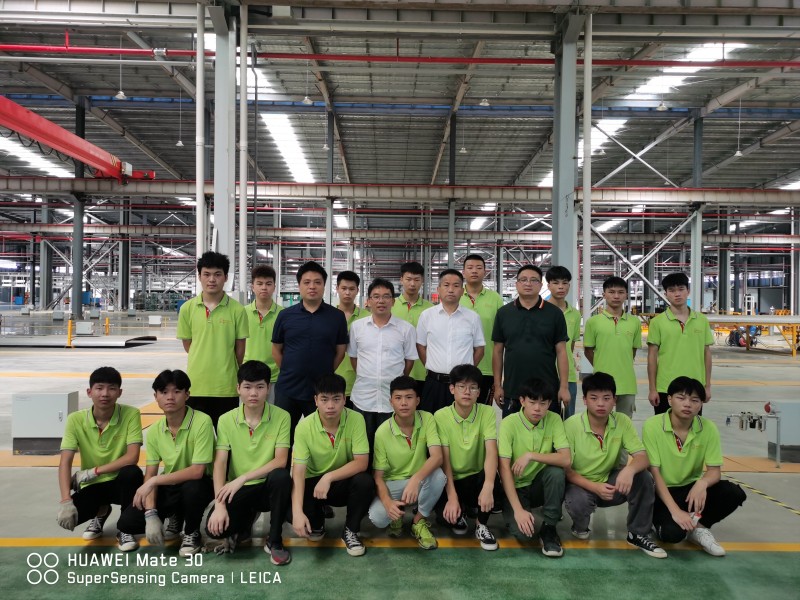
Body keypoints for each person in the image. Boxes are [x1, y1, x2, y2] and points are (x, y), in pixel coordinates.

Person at [563, 372, 666, 558]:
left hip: (611, 483)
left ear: (614, 400)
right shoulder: (571, 425)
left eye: (606, 398)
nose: (600, 404)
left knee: (643, 476)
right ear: (584, 400)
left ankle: (638, 533)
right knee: (578, 502)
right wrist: (595, 487)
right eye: (594, 398)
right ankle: (580, 526)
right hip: (581, 485)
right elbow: (568, 472)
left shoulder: (622, 421)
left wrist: (629, 470)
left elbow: (643, 457)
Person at [643, 376, 746, 557]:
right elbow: (655, 472)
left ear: (701, 405)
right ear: (669, 399)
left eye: (694, 400)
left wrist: (702, 483)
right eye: (681, 398)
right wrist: (675, 511)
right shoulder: (653, 426)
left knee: (733, 493)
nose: (687, 404)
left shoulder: (708, 428)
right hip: (662, 492)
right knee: (672, 535)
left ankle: (699, 528)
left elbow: (714, 472)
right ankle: (667, 521)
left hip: (691, 491)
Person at [117, 369, 214, 556]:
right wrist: (150, 513)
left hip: (200, 483)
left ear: (187, 395)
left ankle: (191, 532)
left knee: (193, 488)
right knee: (127, 523)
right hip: (170, 483)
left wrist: (153, 481)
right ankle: (175, 513)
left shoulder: (202, 421)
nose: (170, 397)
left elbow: (197, 471)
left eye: (177, 391)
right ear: (156, 397)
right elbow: (150, 473)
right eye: (164, 392)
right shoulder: (155, 430)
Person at [205, 361, 293, 565]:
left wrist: (243, 477)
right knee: (215, 529)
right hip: (239, 489)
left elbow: (281, 460)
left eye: (260, 387)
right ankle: (244, 522)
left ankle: (274, 540)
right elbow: (220, 463)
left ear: (268, 388)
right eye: (247, 387)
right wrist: (219, 504)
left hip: (266, 487)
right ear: (238, 388)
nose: (253, 393)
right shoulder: (226, 420)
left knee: (281, 477)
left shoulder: (282, 416)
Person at [56, 367, 144, 552]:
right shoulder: (75, 420)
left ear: (119, 392)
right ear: (89, 392)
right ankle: (101, 512)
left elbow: (132, 456)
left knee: (132, 473)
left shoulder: (131, 414)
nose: (105, 393)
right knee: (71, 517)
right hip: (93, 485)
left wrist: (93, 471)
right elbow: (65, 462)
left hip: (120, 483)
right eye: (99, 388)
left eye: (112, 388)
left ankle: (125, 529)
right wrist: (66, 501)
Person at [291, 374, 375, 557]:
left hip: (341, 482)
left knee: (365, 481)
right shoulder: (304, 427)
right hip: (313, 485)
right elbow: (298, 472)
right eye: (324, 399)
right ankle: (317, 520)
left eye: (336, 399)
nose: (330, 406)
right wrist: (297, 512)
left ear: (344, 399)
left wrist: (328, 477)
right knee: (303, 521)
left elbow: (362, 462)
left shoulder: (356, 419)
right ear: (316, 400)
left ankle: (351, 530)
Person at [368, 376, 446, 550]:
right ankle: (396, 517)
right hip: (393, 484)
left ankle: (418, 521)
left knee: (439, 476)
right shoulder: (382, 432)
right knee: (378, 518)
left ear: (417, 400)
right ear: (391, 402)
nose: (404, 403)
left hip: (419, 481)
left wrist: (415, 479)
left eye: (409, 397)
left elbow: (437, 457)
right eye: (398, 398)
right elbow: (378, 476)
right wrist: (387, 502)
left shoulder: (427, 418)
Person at [272, 261, 349, 437]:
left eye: (317, 282)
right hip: (288, 389)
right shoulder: (285, 315)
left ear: (324, 286)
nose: (312, 286)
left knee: (319, 436)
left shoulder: (336, 317)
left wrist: (325, 373)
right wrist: (290, 370)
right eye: (307, 282)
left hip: (321, 391)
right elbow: (276, 350)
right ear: (299, 285)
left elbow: (340, 352)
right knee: (283, 436)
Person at [498, 377, 570, 558]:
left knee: (556, 473)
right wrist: (518, 511)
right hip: (516, 487)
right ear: (522, 401)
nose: (537, 408)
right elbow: (504, 469)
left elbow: (566, 459)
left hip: (538, 485)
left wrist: (530, 455)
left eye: (543, 403)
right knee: (524, 535)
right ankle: (518, 511)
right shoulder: (509, 423)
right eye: (532, 402)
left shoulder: (554, 419)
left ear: (549, 404)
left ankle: (549, 528)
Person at [434, 364, 503, 551]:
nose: (467, 392)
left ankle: (481, 525)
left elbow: (491, 451)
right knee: (445, 518)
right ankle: (461, 510)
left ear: (479, 392)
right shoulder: (440, 416)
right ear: (452, 389)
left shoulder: (487, 412)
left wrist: (488, 486)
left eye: (473, 388)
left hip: (475, 477)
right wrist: (452, 497)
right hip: (452, 479)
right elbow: (444, 460)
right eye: (462, 386)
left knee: (492, 481)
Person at [177, 251, 249, 427]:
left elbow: (240, 350)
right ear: (199, 276)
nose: (212, 279)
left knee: (226, 437)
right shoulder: (187, 309)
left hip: (226, 387)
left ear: (226, 277)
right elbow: (188, 345)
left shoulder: (238, 310)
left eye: (217, 274)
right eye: (206, 274)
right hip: (196, 385)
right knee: (198, 436)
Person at [348, 278, 417, 452]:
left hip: (391, 399)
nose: (381, 301)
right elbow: (354, 358)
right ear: (368, 301)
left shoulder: (406, 329)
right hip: (364, 397)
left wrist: (396, 382)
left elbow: (409, 360)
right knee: (363, 446)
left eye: (386, 296)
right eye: (376, 296)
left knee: (391, 446)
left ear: (393, 301)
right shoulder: (357, 327)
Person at [492, 265, 570, 417]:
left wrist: (564, 387)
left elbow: (561, 352)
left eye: (534, 280)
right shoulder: (504, 313)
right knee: (513, 430)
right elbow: (497, 351)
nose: (528, 283)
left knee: (549, 431)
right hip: (513, 390)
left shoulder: (554, 314)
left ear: (541, 285)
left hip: (547, 391)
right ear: (516, 284)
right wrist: (497, 386)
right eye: (523, 280)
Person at [416, 269, 485, 414]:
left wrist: (466, 371)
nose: (451, 290)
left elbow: (479, 349)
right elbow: (420, 345)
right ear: (438, 289)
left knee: (461, 422)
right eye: (446, 285)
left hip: (462, 385)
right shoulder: (427, 316)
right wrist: (431, 365)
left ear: (462, 290)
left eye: (456, 285)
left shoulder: (472, 317)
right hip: (434, 383)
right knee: (431, 422)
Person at [647, 272, 714, 414]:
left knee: (692, 426)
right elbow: (652, 357)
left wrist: (707, 386)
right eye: (671, 290)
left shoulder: (701, 320)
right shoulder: (657, 322)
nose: (677, 294)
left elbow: (707, 354)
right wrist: (652, 389)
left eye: (681, 289)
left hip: (695, 387)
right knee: (664, 426)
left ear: (688, 291)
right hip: (665, 387)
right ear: (665, 294)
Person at [583, 276, 642, 417]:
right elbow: (588, 350)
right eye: (611, 292)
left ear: (626, 295)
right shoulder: (593, 322)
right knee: (600, 419)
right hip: (601, 383)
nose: (616, 296)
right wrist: (601, 365)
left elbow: (632, 351)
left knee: (625, 421)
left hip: (627, 382)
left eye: (621, 292)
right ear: (604, 295)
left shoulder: (634, 322)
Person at [460, 254, 504, 406]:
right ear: (463, 272)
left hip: (487, 368)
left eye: (479, 268)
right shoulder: (456, 297)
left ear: (485, 272)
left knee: (482, 411)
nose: (474, 271)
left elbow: (501, 335)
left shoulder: (495, 298)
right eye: (470, 267)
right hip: (459, 366)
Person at [391, 261, 434, 396]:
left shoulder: (431, 309)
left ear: (422, 281)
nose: (412, 284)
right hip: (396, 371)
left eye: (417, 279)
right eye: (408, 279)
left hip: (424, 371)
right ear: (401, 280)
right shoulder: (390, 306)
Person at [243, 265, 283, 405]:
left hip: (275, 377)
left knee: (273, 415)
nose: (264, 288)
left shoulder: (284, 314)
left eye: (268, 284)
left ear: (274, 287)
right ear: (252, 286)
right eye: (259, 283)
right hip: (248, 377)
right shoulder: (242, 313)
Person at [545, 266, 582, 418]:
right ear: (548, 285)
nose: (561, 287)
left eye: (565, 283)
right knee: (546, 418)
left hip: (569, 376)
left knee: (569, 418)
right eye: (556, 283)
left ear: (569, 285)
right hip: (546, 374)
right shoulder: (541, 311)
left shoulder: (575, 314)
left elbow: (570, 346)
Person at [334, 271, 369, 403]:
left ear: (357, 290)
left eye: (352, 289)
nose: (347, 293)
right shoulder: (328, 316)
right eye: (343, 288)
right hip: (333, 380)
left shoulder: (368, 317)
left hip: (361, 382)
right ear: (337, 289)